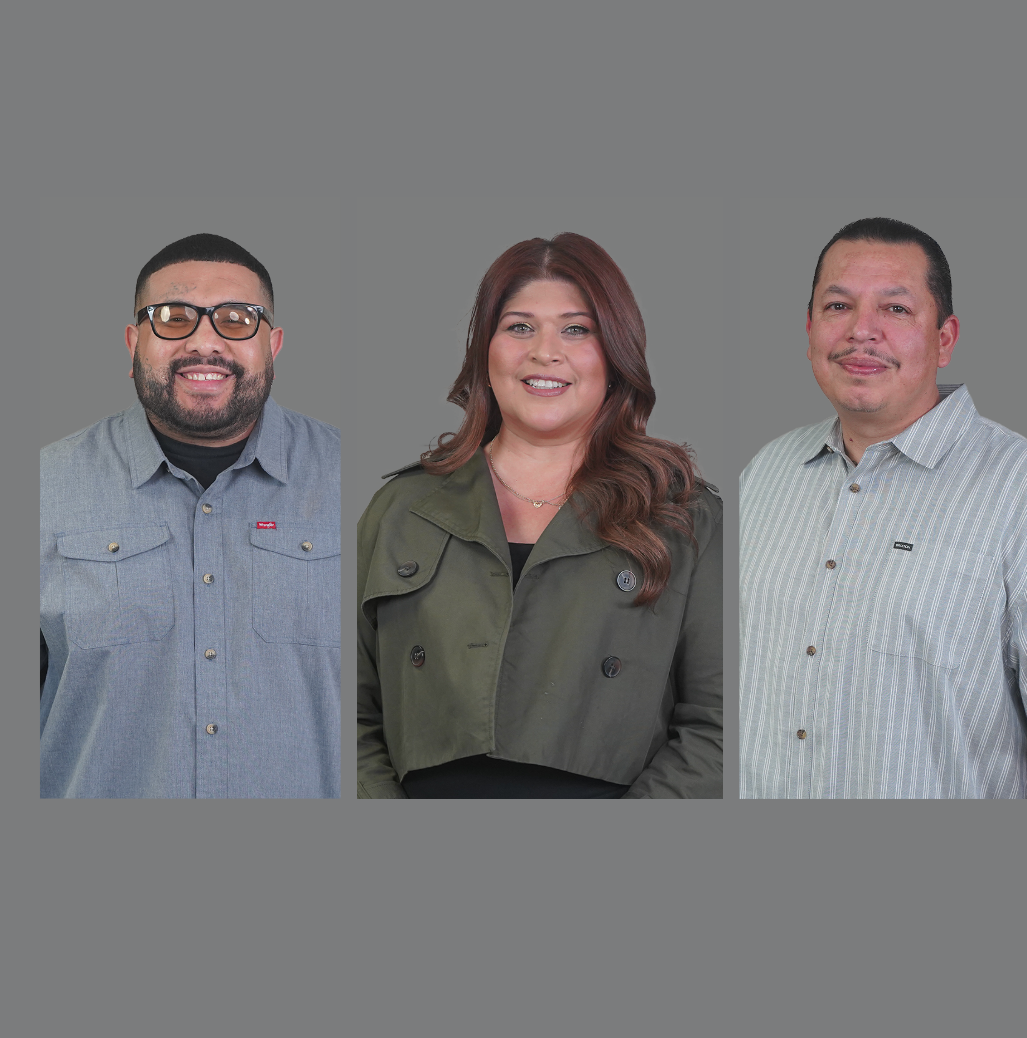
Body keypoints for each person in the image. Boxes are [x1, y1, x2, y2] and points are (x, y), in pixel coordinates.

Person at [357, 233, 722, 798]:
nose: (544, 351)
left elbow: (716, 730)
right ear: (485, 351)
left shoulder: (685, 519)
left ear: (616, 354)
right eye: (519, 327)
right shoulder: (401, 509)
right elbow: (348, 716)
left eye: (576, 330)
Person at [740, 217, 1027, 799]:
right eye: (838, 306)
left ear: (945, 339)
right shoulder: (764, 473)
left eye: (896, 309)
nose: (861, 331)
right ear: (810, 329)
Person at [40, 234, 341, 798]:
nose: (204, 342)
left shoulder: (356, 479)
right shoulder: (41, 488)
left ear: (273, 345)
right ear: (134, 342)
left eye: (237, 319)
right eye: (174, 318)